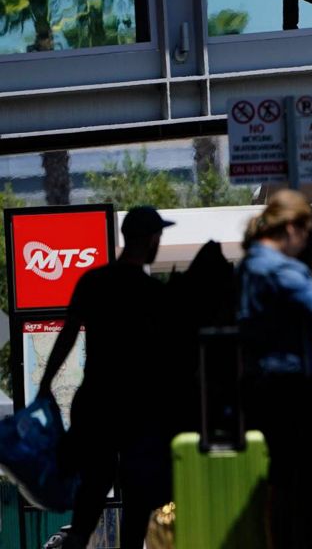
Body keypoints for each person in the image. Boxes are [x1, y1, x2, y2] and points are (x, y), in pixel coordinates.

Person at [39, 207, 176, 549]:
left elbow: (68, 335)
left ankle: (78, 539)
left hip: (96, 402)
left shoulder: (93, 281)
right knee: (136, 494)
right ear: (150, 240)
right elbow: (168, 358)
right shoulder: (152, 293)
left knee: (93, 487)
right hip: (138, 410)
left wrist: (46, 383)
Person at [237, 190, 312, 549]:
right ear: (291, 227)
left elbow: (283, 314)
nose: (305, 244)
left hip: (263, 388)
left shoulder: (249, 266)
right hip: (296, 391)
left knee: (282, 480)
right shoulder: (282, 269)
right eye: (304, 234)